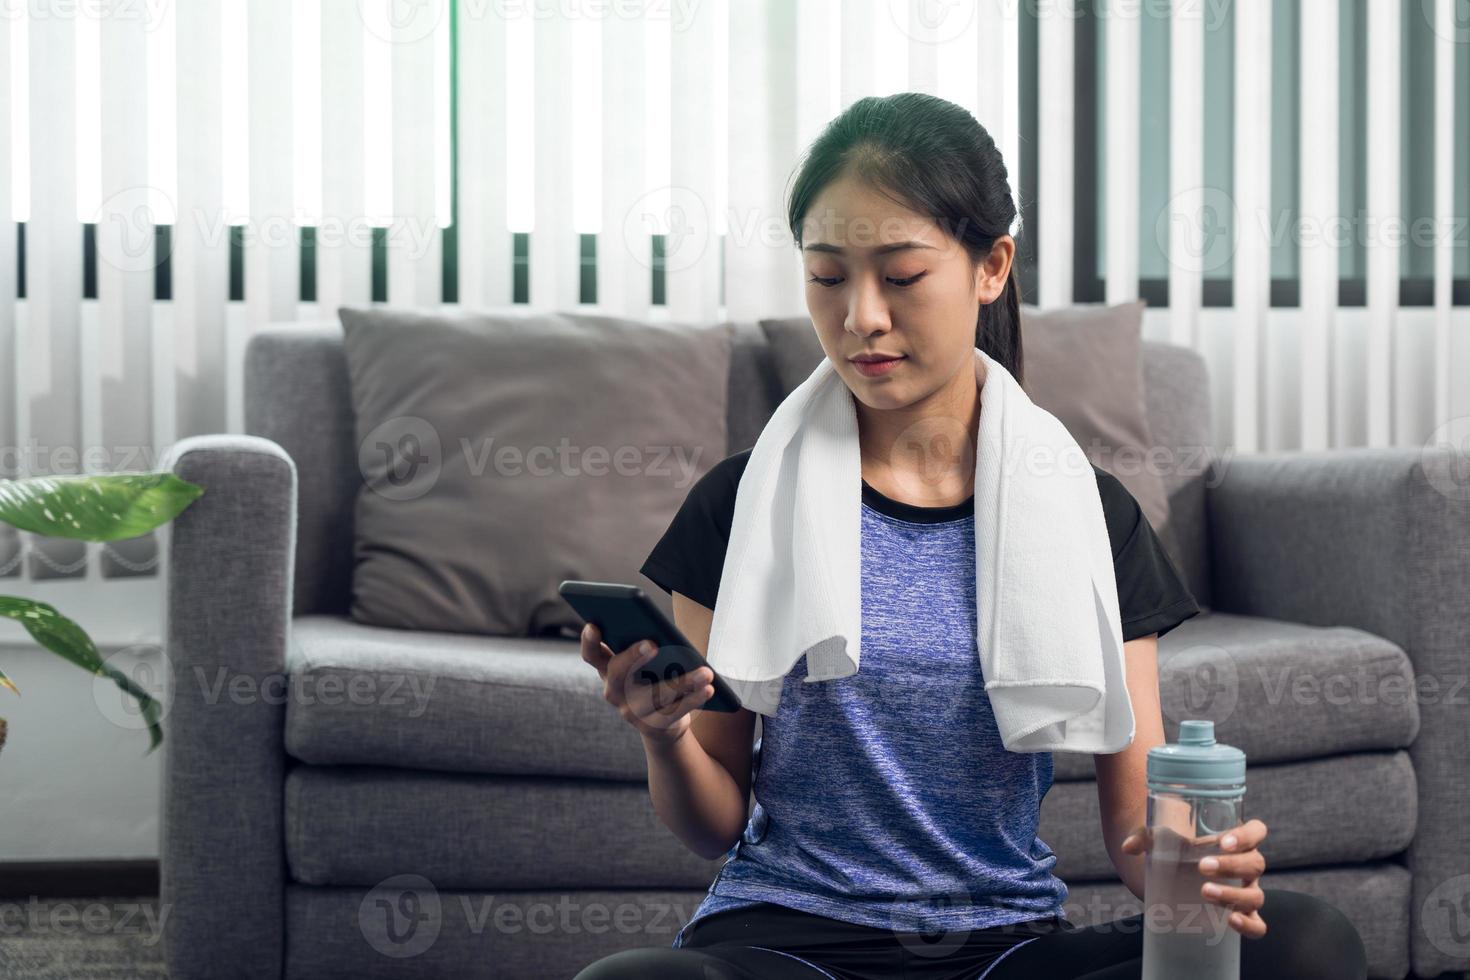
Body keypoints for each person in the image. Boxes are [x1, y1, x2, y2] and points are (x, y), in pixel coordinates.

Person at [574, 92, 1368, 980]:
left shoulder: (1087, 513)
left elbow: (1140, 840)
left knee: (1306, 945)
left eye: (902, 276)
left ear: (991, 266)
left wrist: (1201, 874)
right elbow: (714, 823)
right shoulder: (741, 503)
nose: (860, 317)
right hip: (791, 944)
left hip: (1002, 950)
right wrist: (663, 735)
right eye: (828, 276)